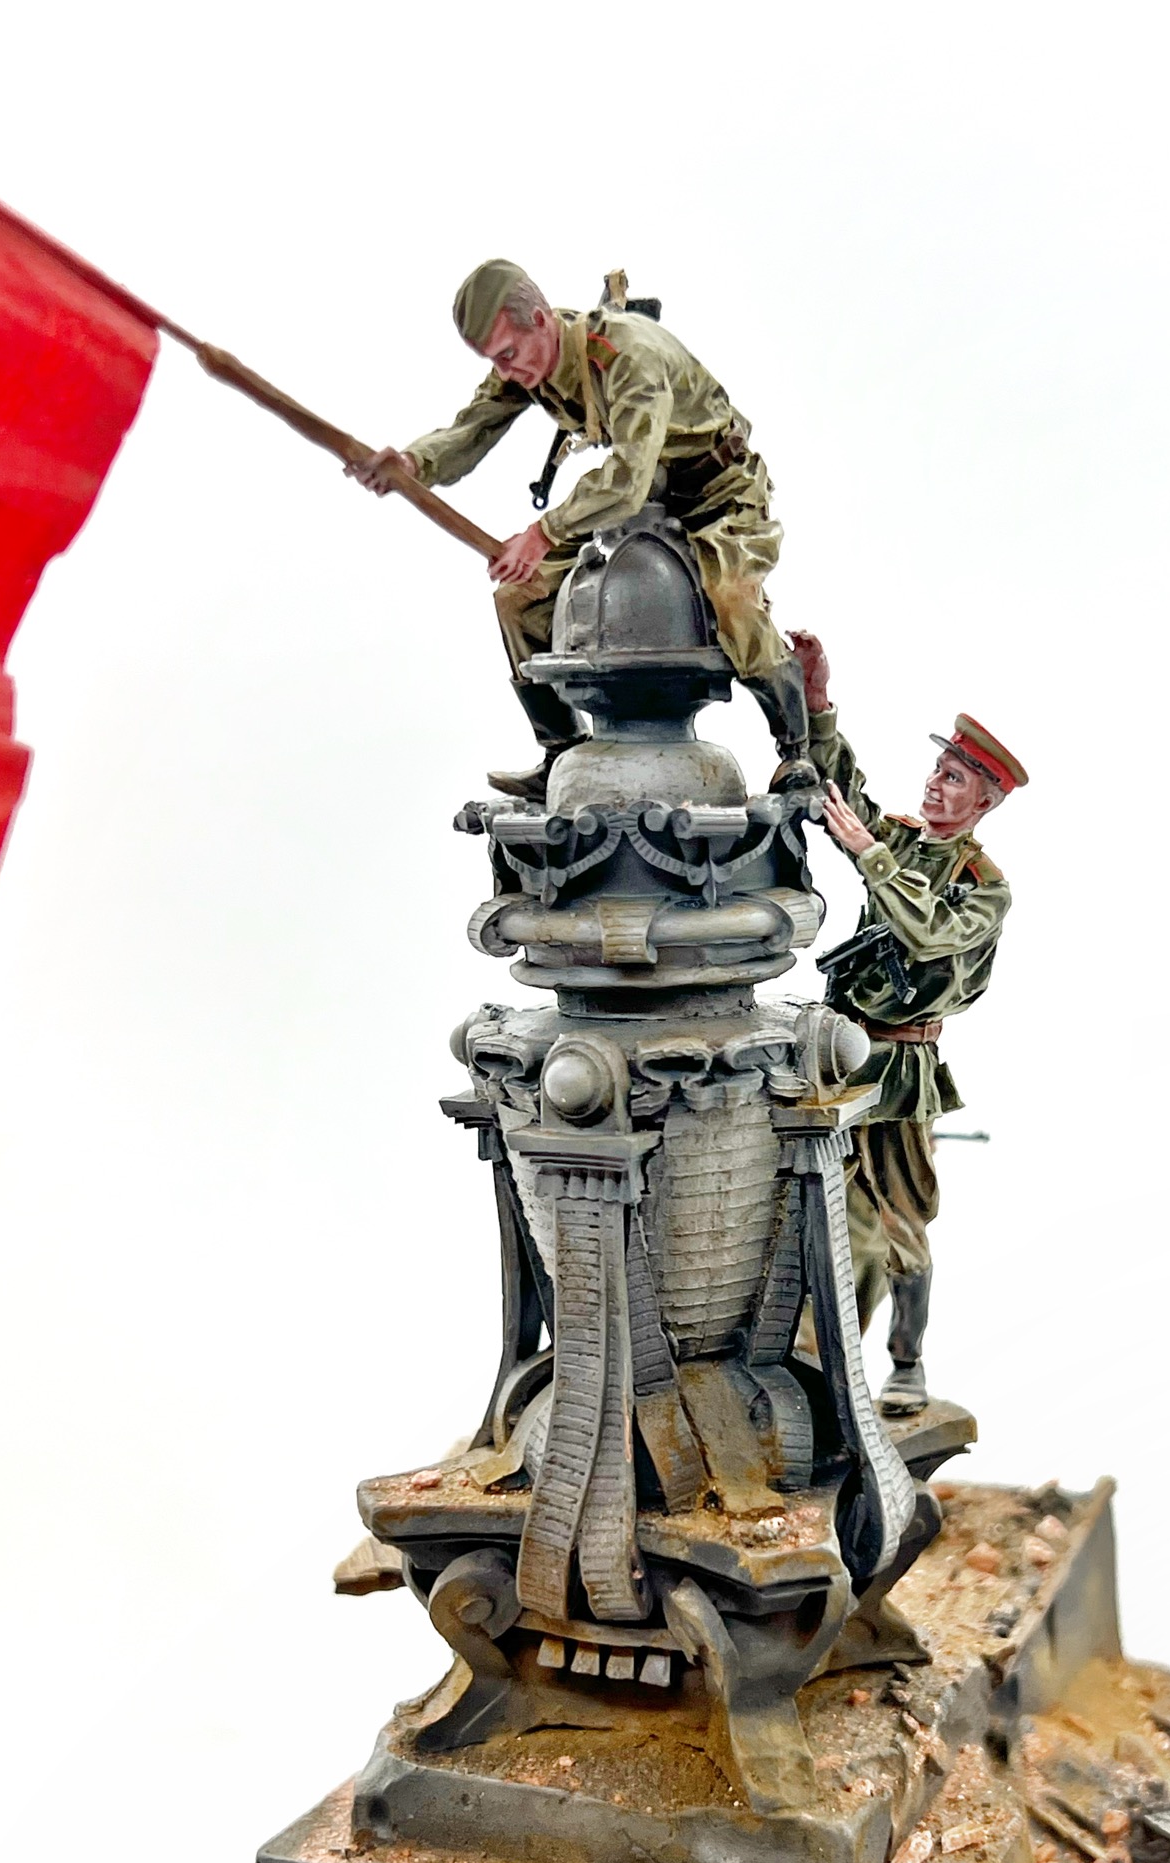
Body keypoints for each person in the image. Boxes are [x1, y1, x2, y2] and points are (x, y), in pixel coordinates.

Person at [349, 259, 809, 801]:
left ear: (540, 320)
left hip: (720, 491)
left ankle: (795, 749)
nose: (504, 371)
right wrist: (411, 464)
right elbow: (470, 430)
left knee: (731, 596)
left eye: (507, 354)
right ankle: (560, 753)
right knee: (518, 597)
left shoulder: (628, 355)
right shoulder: (529, 363)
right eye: (493, 360)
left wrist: (544, 533)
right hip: (649, 493)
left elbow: (627, 478)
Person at [792, 629, 1026, 1414]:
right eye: (936, 770)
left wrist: (871, 856)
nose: (935, 785)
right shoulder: (896, 838)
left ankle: (905, 1364)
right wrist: (818, 702)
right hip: (840, 1050)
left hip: (899, 1068)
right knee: (814, 1201)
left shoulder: (984, 885)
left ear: (983, 801)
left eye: (954, 778)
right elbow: (841, 795)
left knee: (899, 1222)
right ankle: (811, 1353)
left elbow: (929, 933)